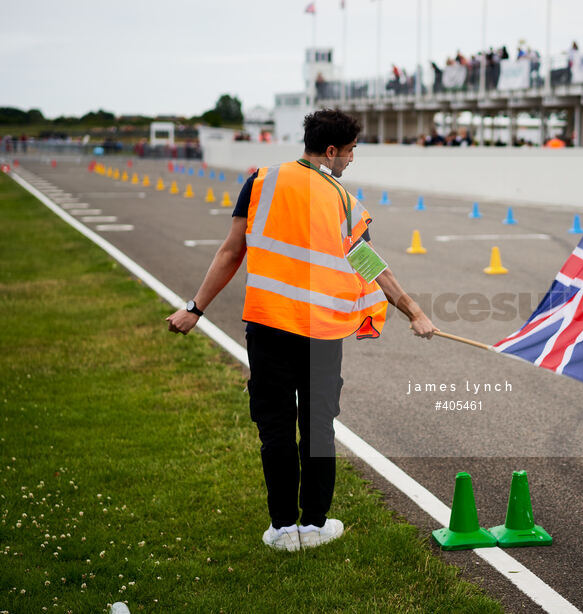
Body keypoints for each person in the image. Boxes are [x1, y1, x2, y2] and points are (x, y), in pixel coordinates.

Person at [166, 109, 438, 552]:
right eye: (350, 151)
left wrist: (195, 308)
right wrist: (413, 312)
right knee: (316, 429)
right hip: (321, 333)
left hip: (268, 325)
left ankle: (281, 530)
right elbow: (368, 264)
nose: (351, 159)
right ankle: (313, 526)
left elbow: (231, 251)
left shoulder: (260, 180)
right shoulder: (343, 202)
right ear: (331, 151)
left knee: (275, 429)